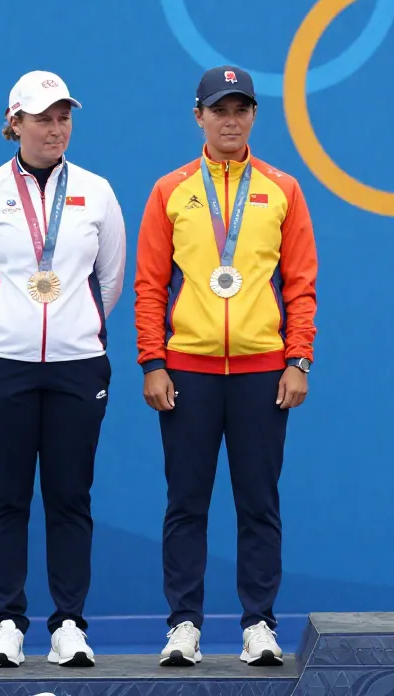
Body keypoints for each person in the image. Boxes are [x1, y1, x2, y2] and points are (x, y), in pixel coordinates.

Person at [133, 65, 318, 667]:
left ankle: (259, 624)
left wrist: (298, 359)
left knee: (258, 503)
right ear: (199, 117)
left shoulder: (283, 188)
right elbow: (150, 286)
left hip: (265, 371)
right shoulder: (171, 190)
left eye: (241, 109)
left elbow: (301, 284)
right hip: (188, 370)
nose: (230, 120)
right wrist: (152, 362)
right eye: (219, 110)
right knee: (186, 502)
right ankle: (183, 624)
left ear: (254, 116)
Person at [0, 71, 126, 669]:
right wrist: (11, 331)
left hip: (77, 368)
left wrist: (70, 327)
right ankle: (6, 626)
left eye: (64, 117)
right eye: (44, 118)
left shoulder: (97, 192)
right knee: (5, 498)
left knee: (71, 497)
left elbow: (109, 282)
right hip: (2, 369)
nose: (56, 128)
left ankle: (69, 624)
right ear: (15, 122)